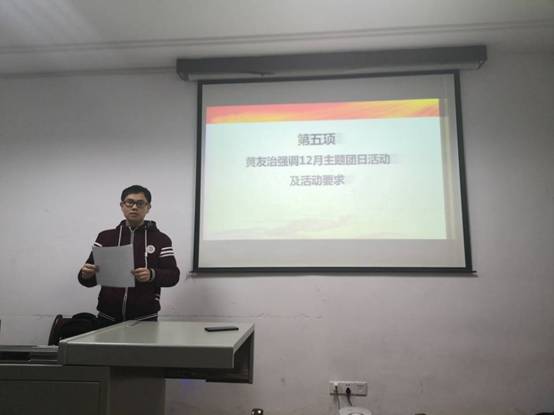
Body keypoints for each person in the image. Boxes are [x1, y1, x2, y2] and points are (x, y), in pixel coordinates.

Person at [78, 185, 179, 326]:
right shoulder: (105, 237)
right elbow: (87, 279)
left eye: (140, 203)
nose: (134, 207)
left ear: (148, 207)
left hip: (145, 319)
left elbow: (173, 276)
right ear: (122, 205)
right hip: (107, 317)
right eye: (129, 202)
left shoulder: (161, 239)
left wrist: (151, 274)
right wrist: (86, 274)